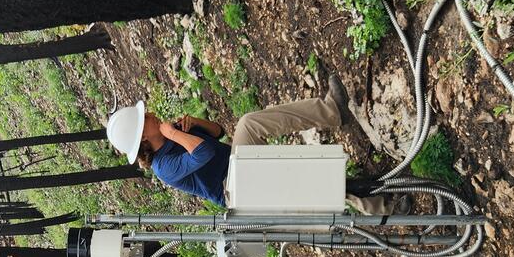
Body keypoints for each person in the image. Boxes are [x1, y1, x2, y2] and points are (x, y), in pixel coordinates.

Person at [104, 74, 375, 209]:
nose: (150, 113)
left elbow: (218, 132)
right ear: (142, 135)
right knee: (250, 125)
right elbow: (205, 153)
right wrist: (175, 134)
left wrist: (195, 123)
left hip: (236, 166)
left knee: (304, 180)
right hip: (235, 190)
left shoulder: (171, 131)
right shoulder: (164, 167)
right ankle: (333, 111)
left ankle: (376, 204)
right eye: (145, 118)